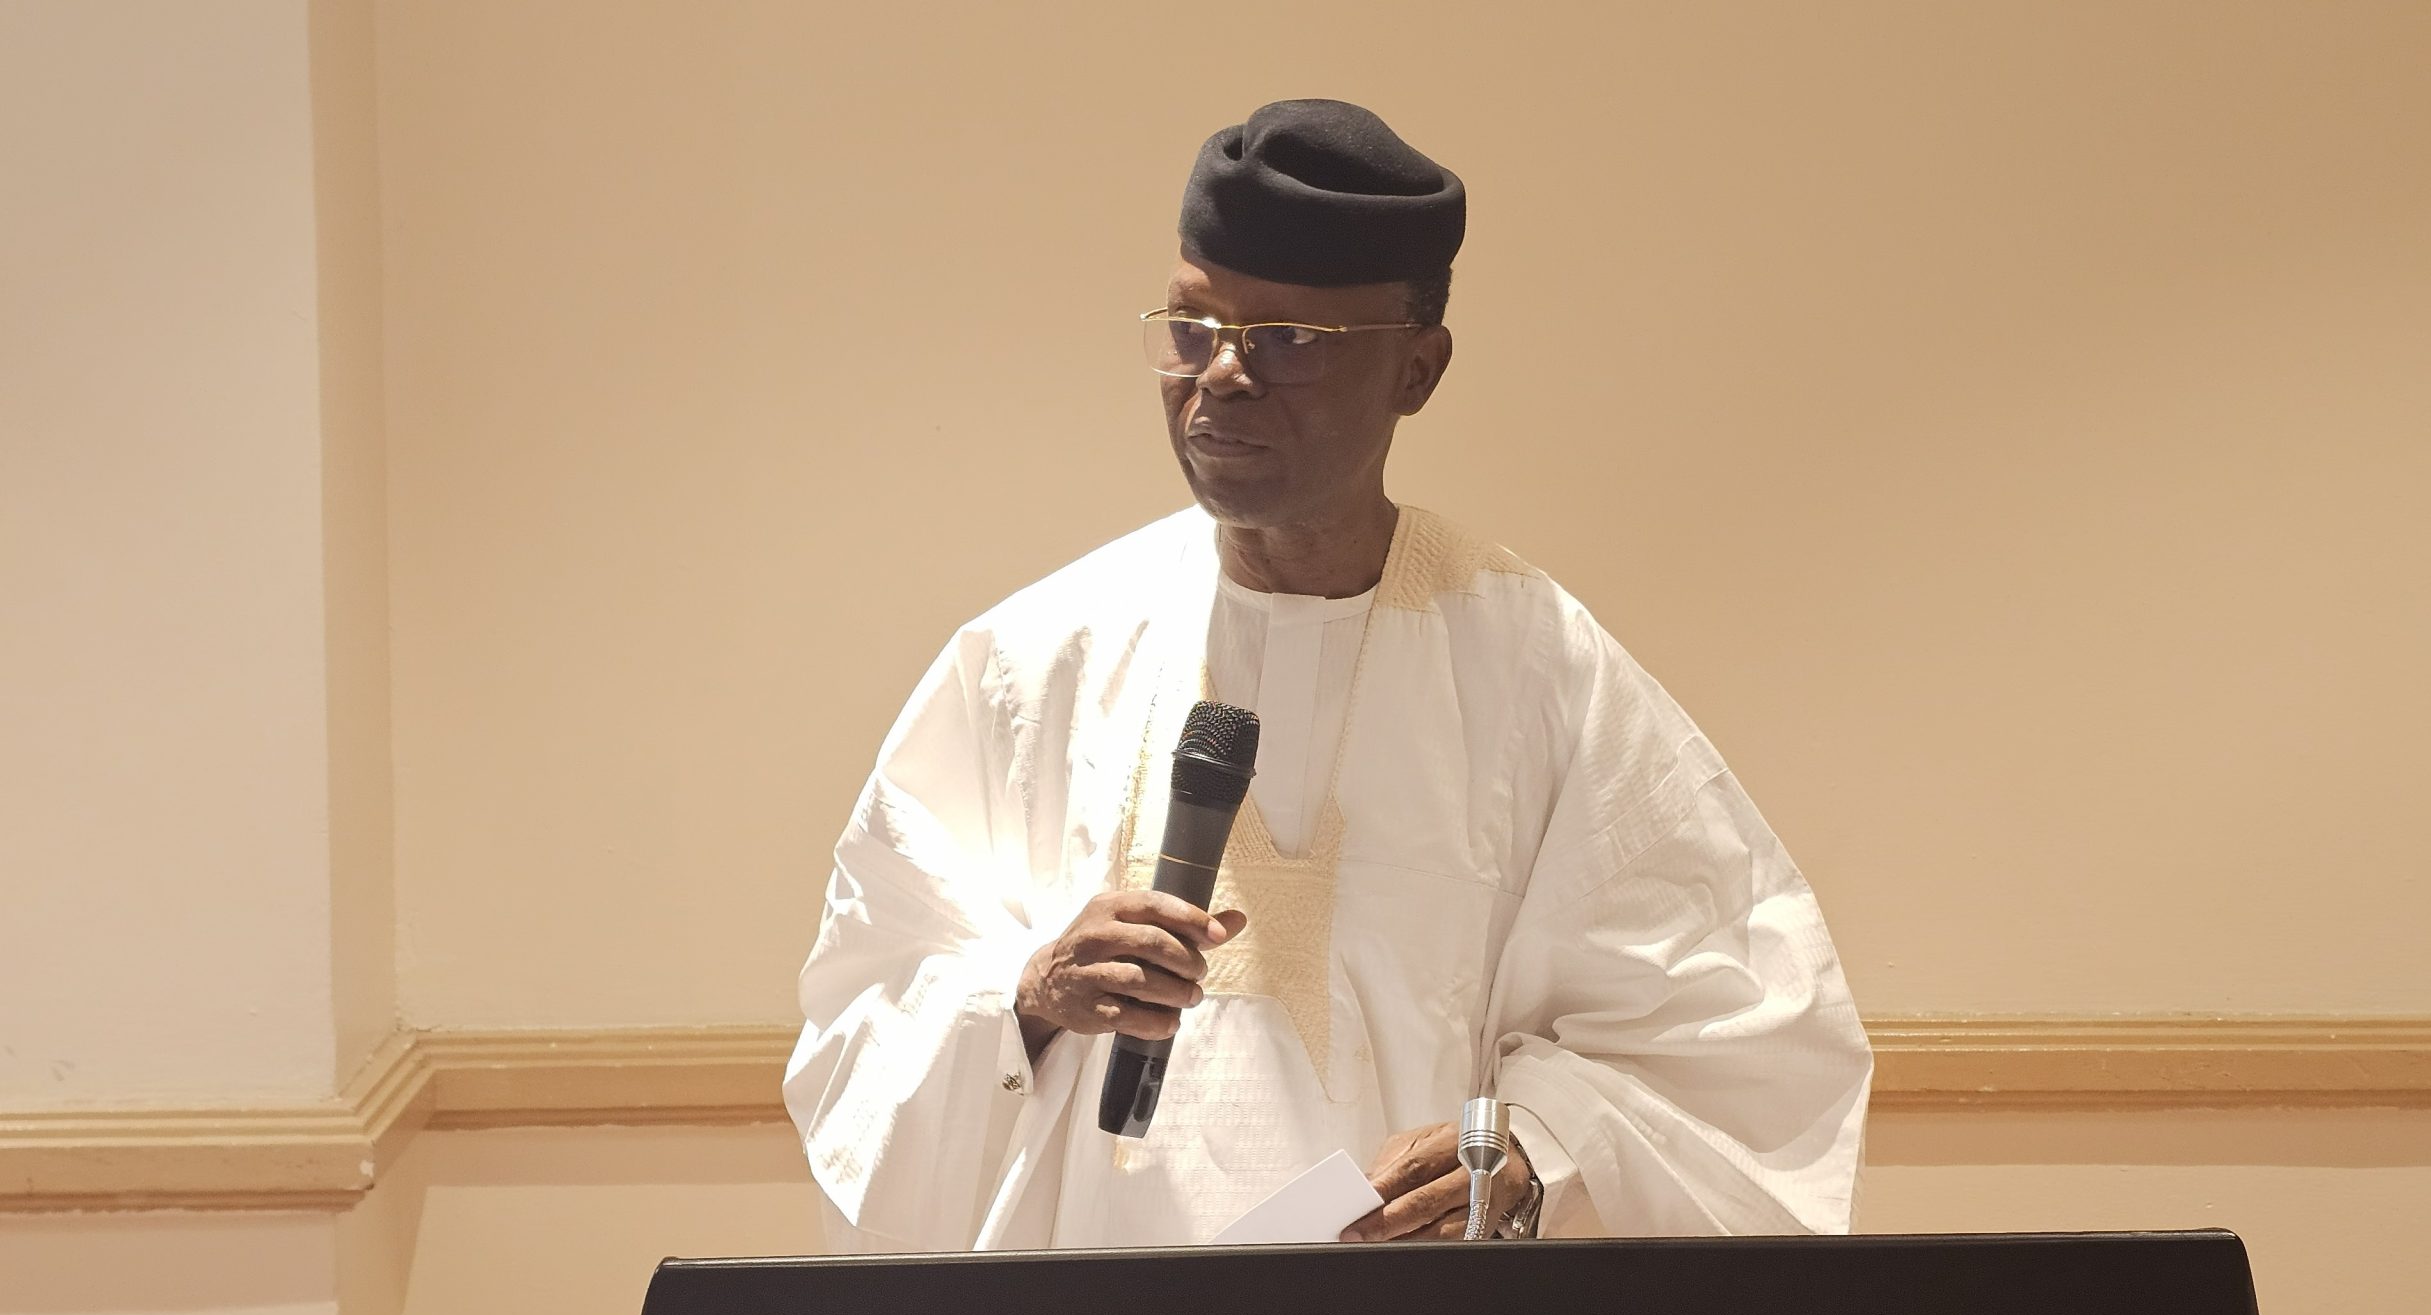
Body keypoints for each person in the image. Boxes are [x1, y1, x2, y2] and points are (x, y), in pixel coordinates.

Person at [783, 99, 1870, 1252]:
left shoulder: (1538, 669)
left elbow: (1734, 1044)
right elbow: (865, 1009)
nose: (1222, 376)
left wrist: (1529, 1155)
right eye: (1192, 329)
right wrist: (1031, 992)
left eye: (1289, 340)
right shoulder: (1031, 662)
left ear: (1417, 368)